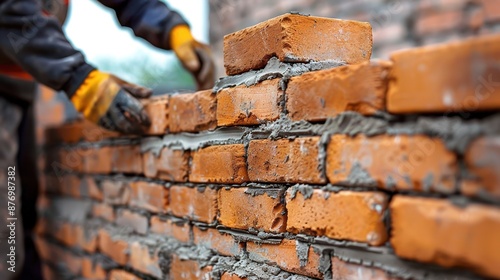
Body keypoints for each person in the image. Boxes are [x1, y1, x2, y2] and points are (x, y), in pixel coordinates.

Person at [0, 0, 215, 279]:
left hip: (20, 87)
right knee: (6, 229)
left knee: (20, 211)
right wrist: (79, 79)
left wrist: (171, 27)